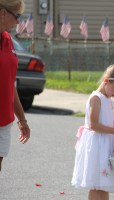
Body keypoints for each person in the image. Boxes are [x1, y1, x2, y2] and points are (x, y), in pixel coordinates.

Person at [72, 64, 114, 200]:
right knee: (96, 184)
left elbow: (111, 122)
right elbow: (93, 124)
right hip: (97, 144)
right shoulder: (96, 98)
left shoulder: (109, 100)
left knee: (105, 183)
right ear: (106, 81)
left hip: (106, 143)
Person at [0, 0, 30, 172]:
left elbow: (9, 83)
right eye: (17, 16)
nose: (18, 22)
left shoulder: (7, 40)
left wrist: (22, 119)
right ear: (3, 13)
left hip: (4, 121)